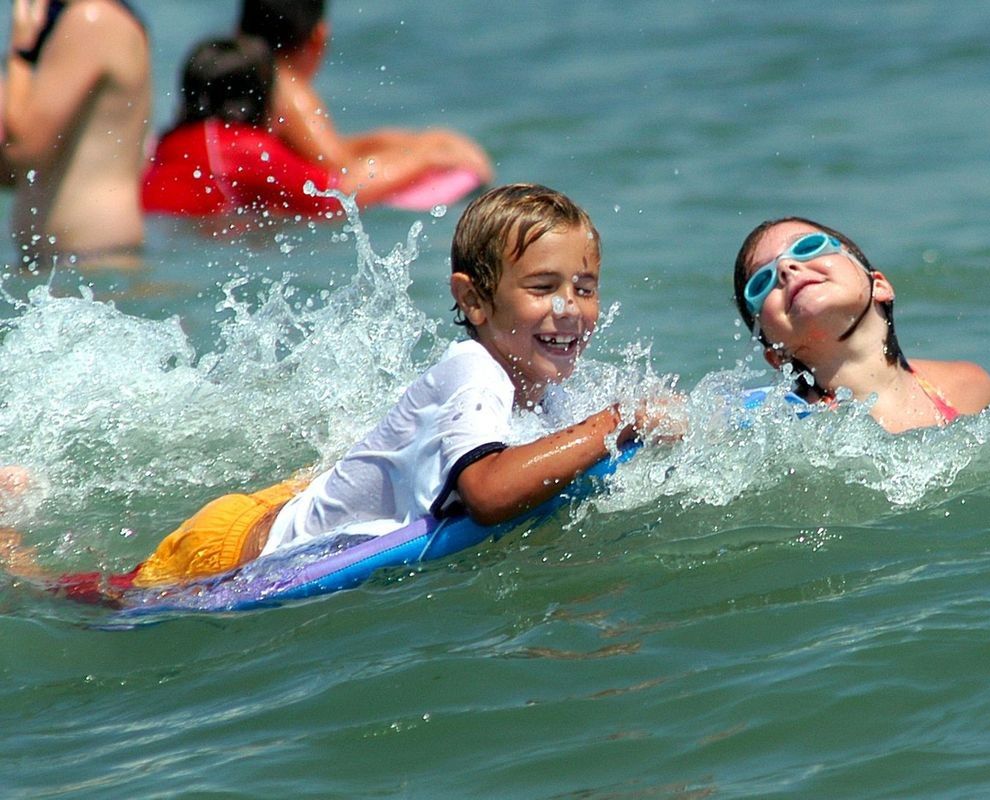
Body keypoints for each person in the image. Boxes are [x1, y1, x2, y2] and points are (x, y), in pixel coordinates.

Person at [3, 184, 673, 595]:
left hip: (287, 504)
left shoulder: (539, 385)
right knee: (108, 605)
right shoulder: (476, 370)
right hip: (231, 551)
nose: (569, 309)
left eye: (584, 289)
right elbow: (489, 493)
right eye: (542, 288)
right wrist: (621, 420)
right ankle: (15, 556)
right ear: (473, 300)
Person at [733, 216, 990, 433]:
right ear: (775, 355)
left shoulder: (968, 387)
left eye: (807, 247)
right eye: (761, 282)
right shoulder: (779, 427)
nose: (786, 267)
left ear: (880, 285)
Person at [237, 0, 494, 202]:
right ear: (319, 35)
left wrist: (390, 142)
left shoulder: (238, 74)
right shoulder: (287, 87)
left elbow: (312, 149)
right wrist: (430, 157)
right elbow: (343, 178)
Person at [143, 35, 374, 218]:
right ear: (261, 97)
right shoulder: (241, 147)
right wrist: (411, 156)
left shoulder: (171, 143)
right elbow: (337, 196)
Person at [2, 0, 150, 267]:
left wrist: (20, 53)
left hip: (93, 260)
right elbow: (12, 172)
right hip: (71, 263)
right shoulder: (75, 23)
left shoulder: (91, 20)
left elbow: (24, 151)